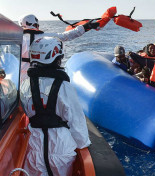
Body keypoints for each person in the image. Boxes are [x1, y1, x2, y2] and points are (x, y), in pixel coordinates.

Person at [20, 37, 90, 176]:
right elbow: (76, 121)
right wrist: (83, 144)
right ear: (55, 58)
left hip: (34, 146)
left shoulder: (25, 84)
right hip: (61, 148)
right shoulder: (64, 87)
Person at [19, 14, 99, 82]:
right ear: (35, 24)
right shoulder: (45, 36)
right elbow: (66, 36)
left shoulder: (16, 38)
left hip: (20, 77)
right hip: (38, 76)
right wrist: (85, 27)